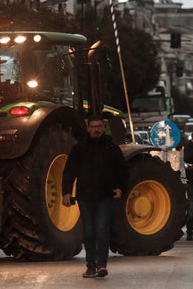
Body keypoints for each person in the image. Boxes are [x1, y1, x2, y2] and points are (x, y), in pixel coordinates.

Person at [62, 117, 128, 278]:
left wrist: (121, 188)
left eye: (99, 126)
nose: (96, 129)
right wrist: (66, 192)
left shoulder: (111, 148)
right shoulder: (79, 148)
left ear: (103, 128)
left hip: (105, 196)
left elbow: (122, 170)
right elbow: (69, 170)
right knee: (89, 232)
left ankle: (101, 265)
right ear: (88, 128)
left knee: (101, 230)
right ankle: (90, 265)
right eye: (93, 126)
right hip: (85, 197)